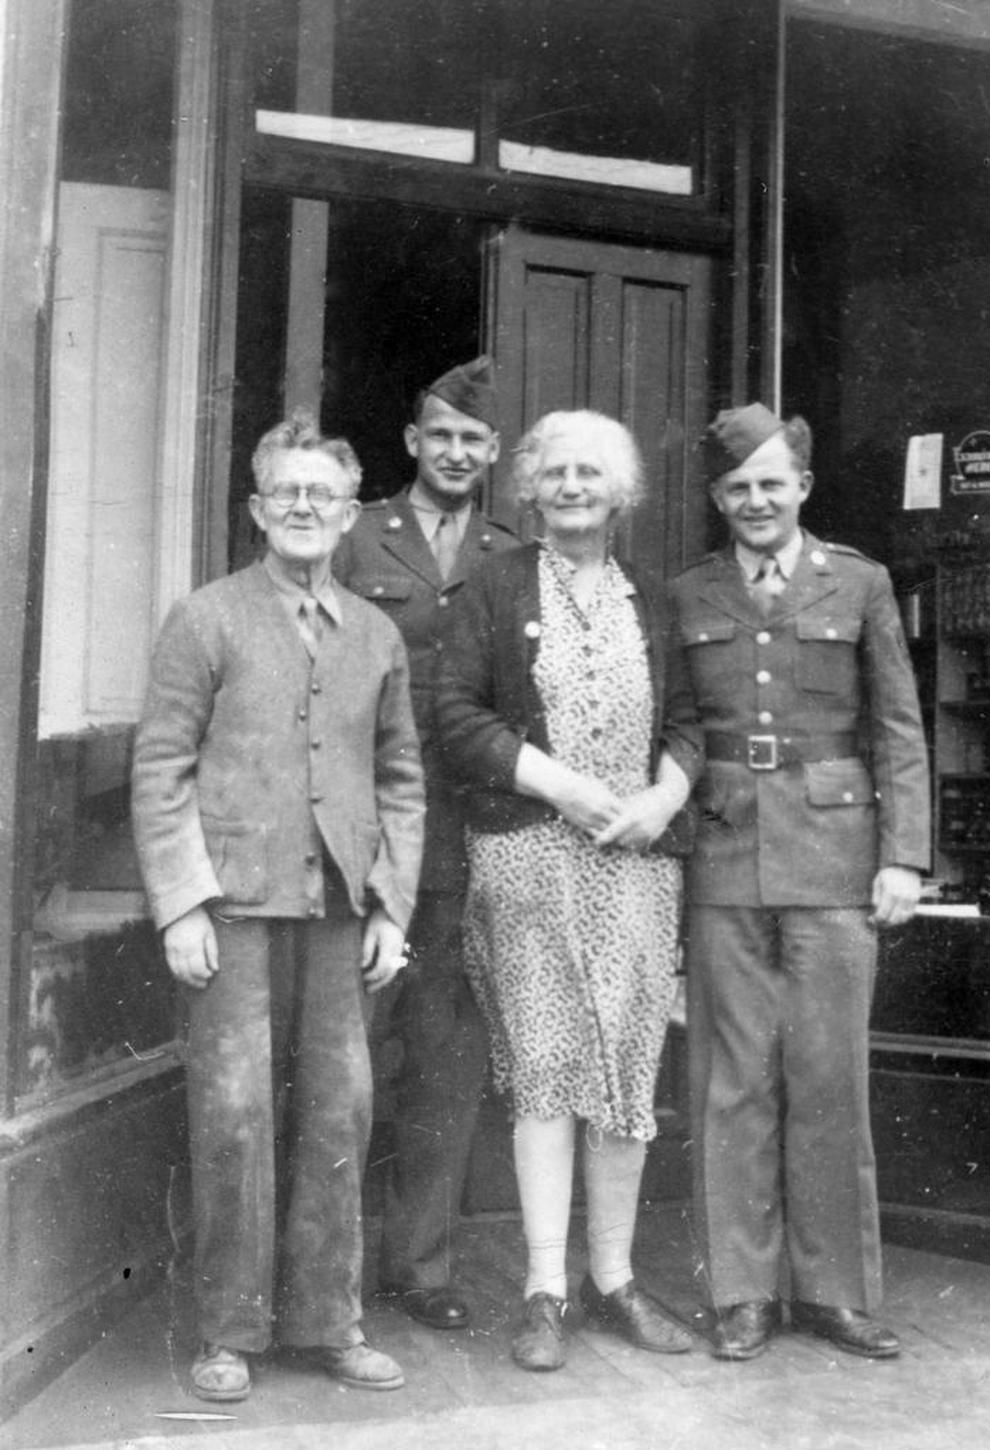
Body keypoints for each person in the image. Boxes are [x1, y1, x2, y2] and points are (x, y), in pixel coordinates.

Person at [131, 411, 425, 1402]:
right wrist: (181, 905)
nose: (305, 508)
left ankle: (329, 1320)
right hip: (233, 909)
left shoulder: (378, 634)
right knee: (234, 1116)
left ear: (350, 515)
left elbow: (400, 778)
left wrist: (392, 903)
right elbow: (161, 765)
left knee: (340, 1109)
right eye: (286, 492)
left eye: (323, 495)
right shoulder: (206, 618)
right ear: (258, 508)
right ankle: (229, 1330)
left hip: (340, 909)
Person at [435, 410, 702, 1372]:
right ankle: (545, 1290)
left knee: (627, 1075)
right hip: (529, 860)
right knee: (547, 1068)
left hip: (633, 867)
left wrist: (661, 799)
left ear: (622, 491)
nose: (574, 486)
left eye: (593, 472)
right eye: (556, 473)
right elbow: (456, 715)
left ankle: (615, 1281)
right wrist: (564, 786)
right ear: (530, 490)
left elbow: (690, 725)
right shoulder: (495, 588)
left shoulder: (657, 601)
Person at [673, 403, 930, 1362]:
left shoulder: (857, 582)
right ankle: (742, 1291)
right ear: (716, 498)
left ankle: (834, 1292)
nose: (756, 501)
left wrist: (903, 853)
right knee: (732, 1083)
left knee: (828, 1077)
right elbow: (678, 732)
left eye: (772, 484)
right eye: (738, 488)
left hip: (834, 858)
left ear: (803, 489)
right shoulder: (687, 593)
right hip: (724, 857)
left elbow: (898, 726)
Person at [333, 356, 515, 1332]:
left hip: (468, 846)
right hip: (361, 837)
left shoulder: (511, 551)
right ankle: (324, 1269)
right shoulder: (356, 534)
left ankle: (423, 1265)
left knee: (447, 1063)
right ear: (412, 443)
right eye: (438, 434)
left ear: (493, 454)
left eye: (472, 440)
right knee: (344, 1056)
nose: (454, 451)